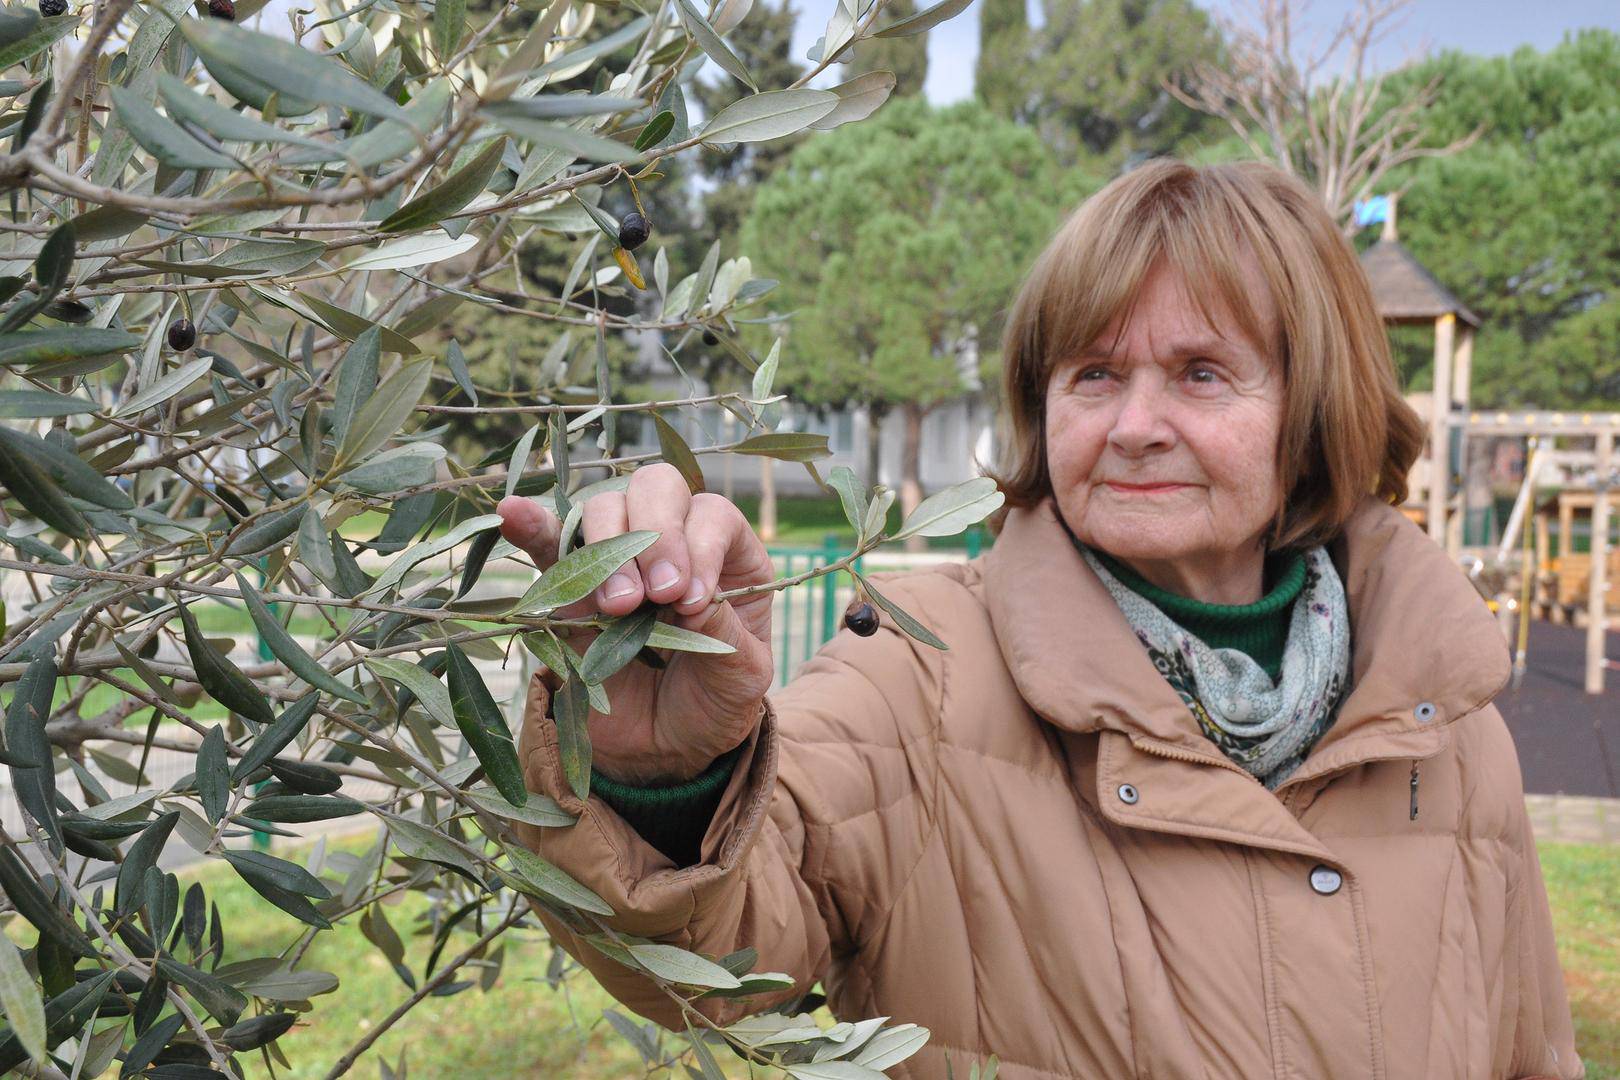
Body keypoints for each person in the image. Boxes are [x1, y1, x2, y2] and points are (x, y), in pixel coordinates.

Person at [495, 160, 1583, 1079]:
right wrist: (657, 775)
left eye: (1202, 374)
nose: (1136, 425)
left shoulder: (1445, 718)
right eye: (1094, 374)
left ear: (1313, 412)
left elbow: (1533, 1050)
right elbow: (721, 956)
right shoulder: (918, 668)